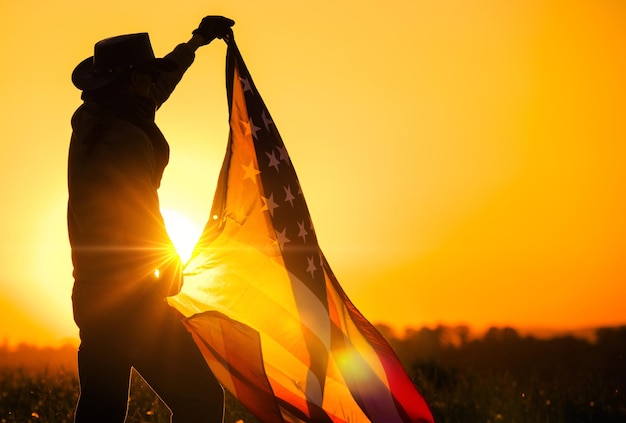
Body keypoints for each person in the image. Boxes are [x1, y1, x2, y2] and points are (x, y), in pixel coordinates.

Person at [67, 16, 234, 422]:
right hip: (132, 299)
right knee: (200, 399)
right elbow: (140, 210)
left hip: (92, 294)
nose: (150, 82)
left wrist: (196, 42)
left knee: (101, 410)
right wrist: (169, 264)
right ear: (127, 81)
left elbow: (163, 83)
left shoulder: (104, 113)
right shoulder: (123, 139)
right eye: (143, 74)